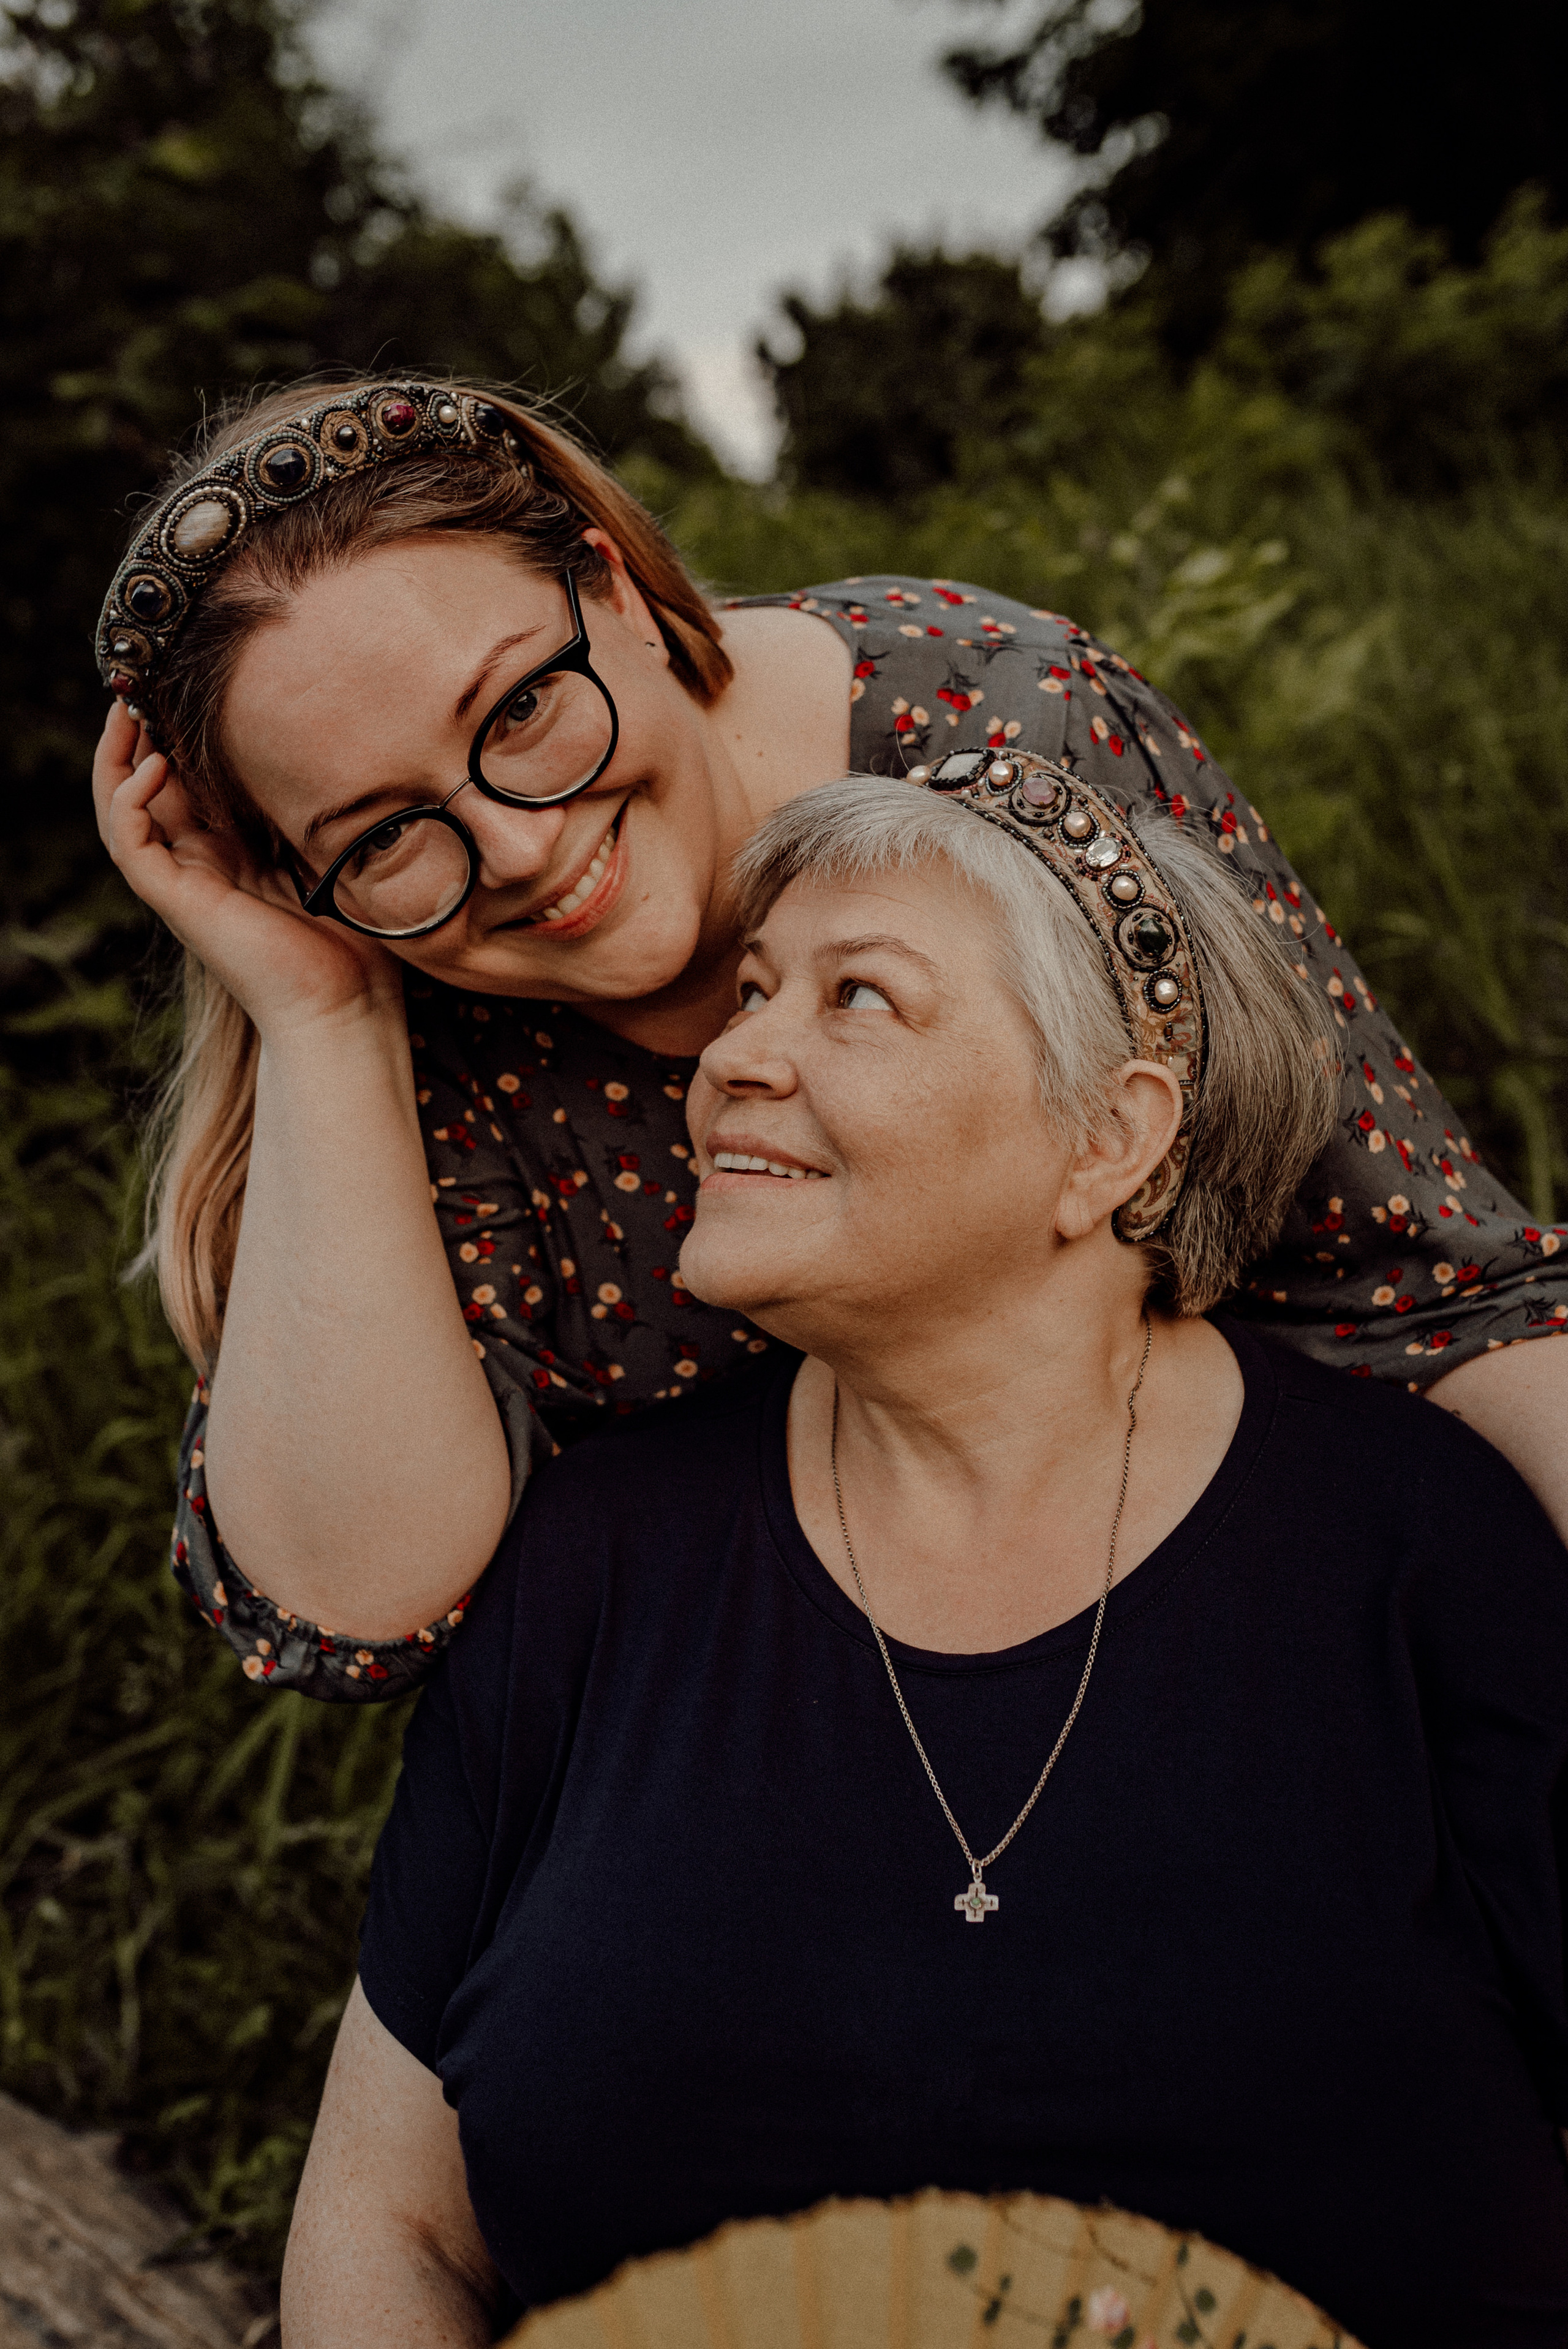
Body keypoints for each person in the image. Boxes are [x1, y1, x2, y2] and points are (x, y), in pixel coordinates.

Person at [282, 764, 1568, 2349]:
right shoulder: (594, 1559)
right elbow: (392, 2221)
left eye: (858, 999)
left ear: (1109, 1140)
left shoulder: (1429, 1552)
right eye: (751, 995)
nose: (733, 1059)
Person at [92, 376, 1568, 1695]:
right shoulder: (393, 969)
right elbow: (359, 1602)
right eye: (379, 833)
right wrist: (326, 1015)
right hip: (730, 1708)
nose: (521, 849)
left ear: (613, 589)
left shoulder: (1003, 732)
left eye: (525, 706)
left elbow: (1423, 1293)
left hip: (1164, 1612)